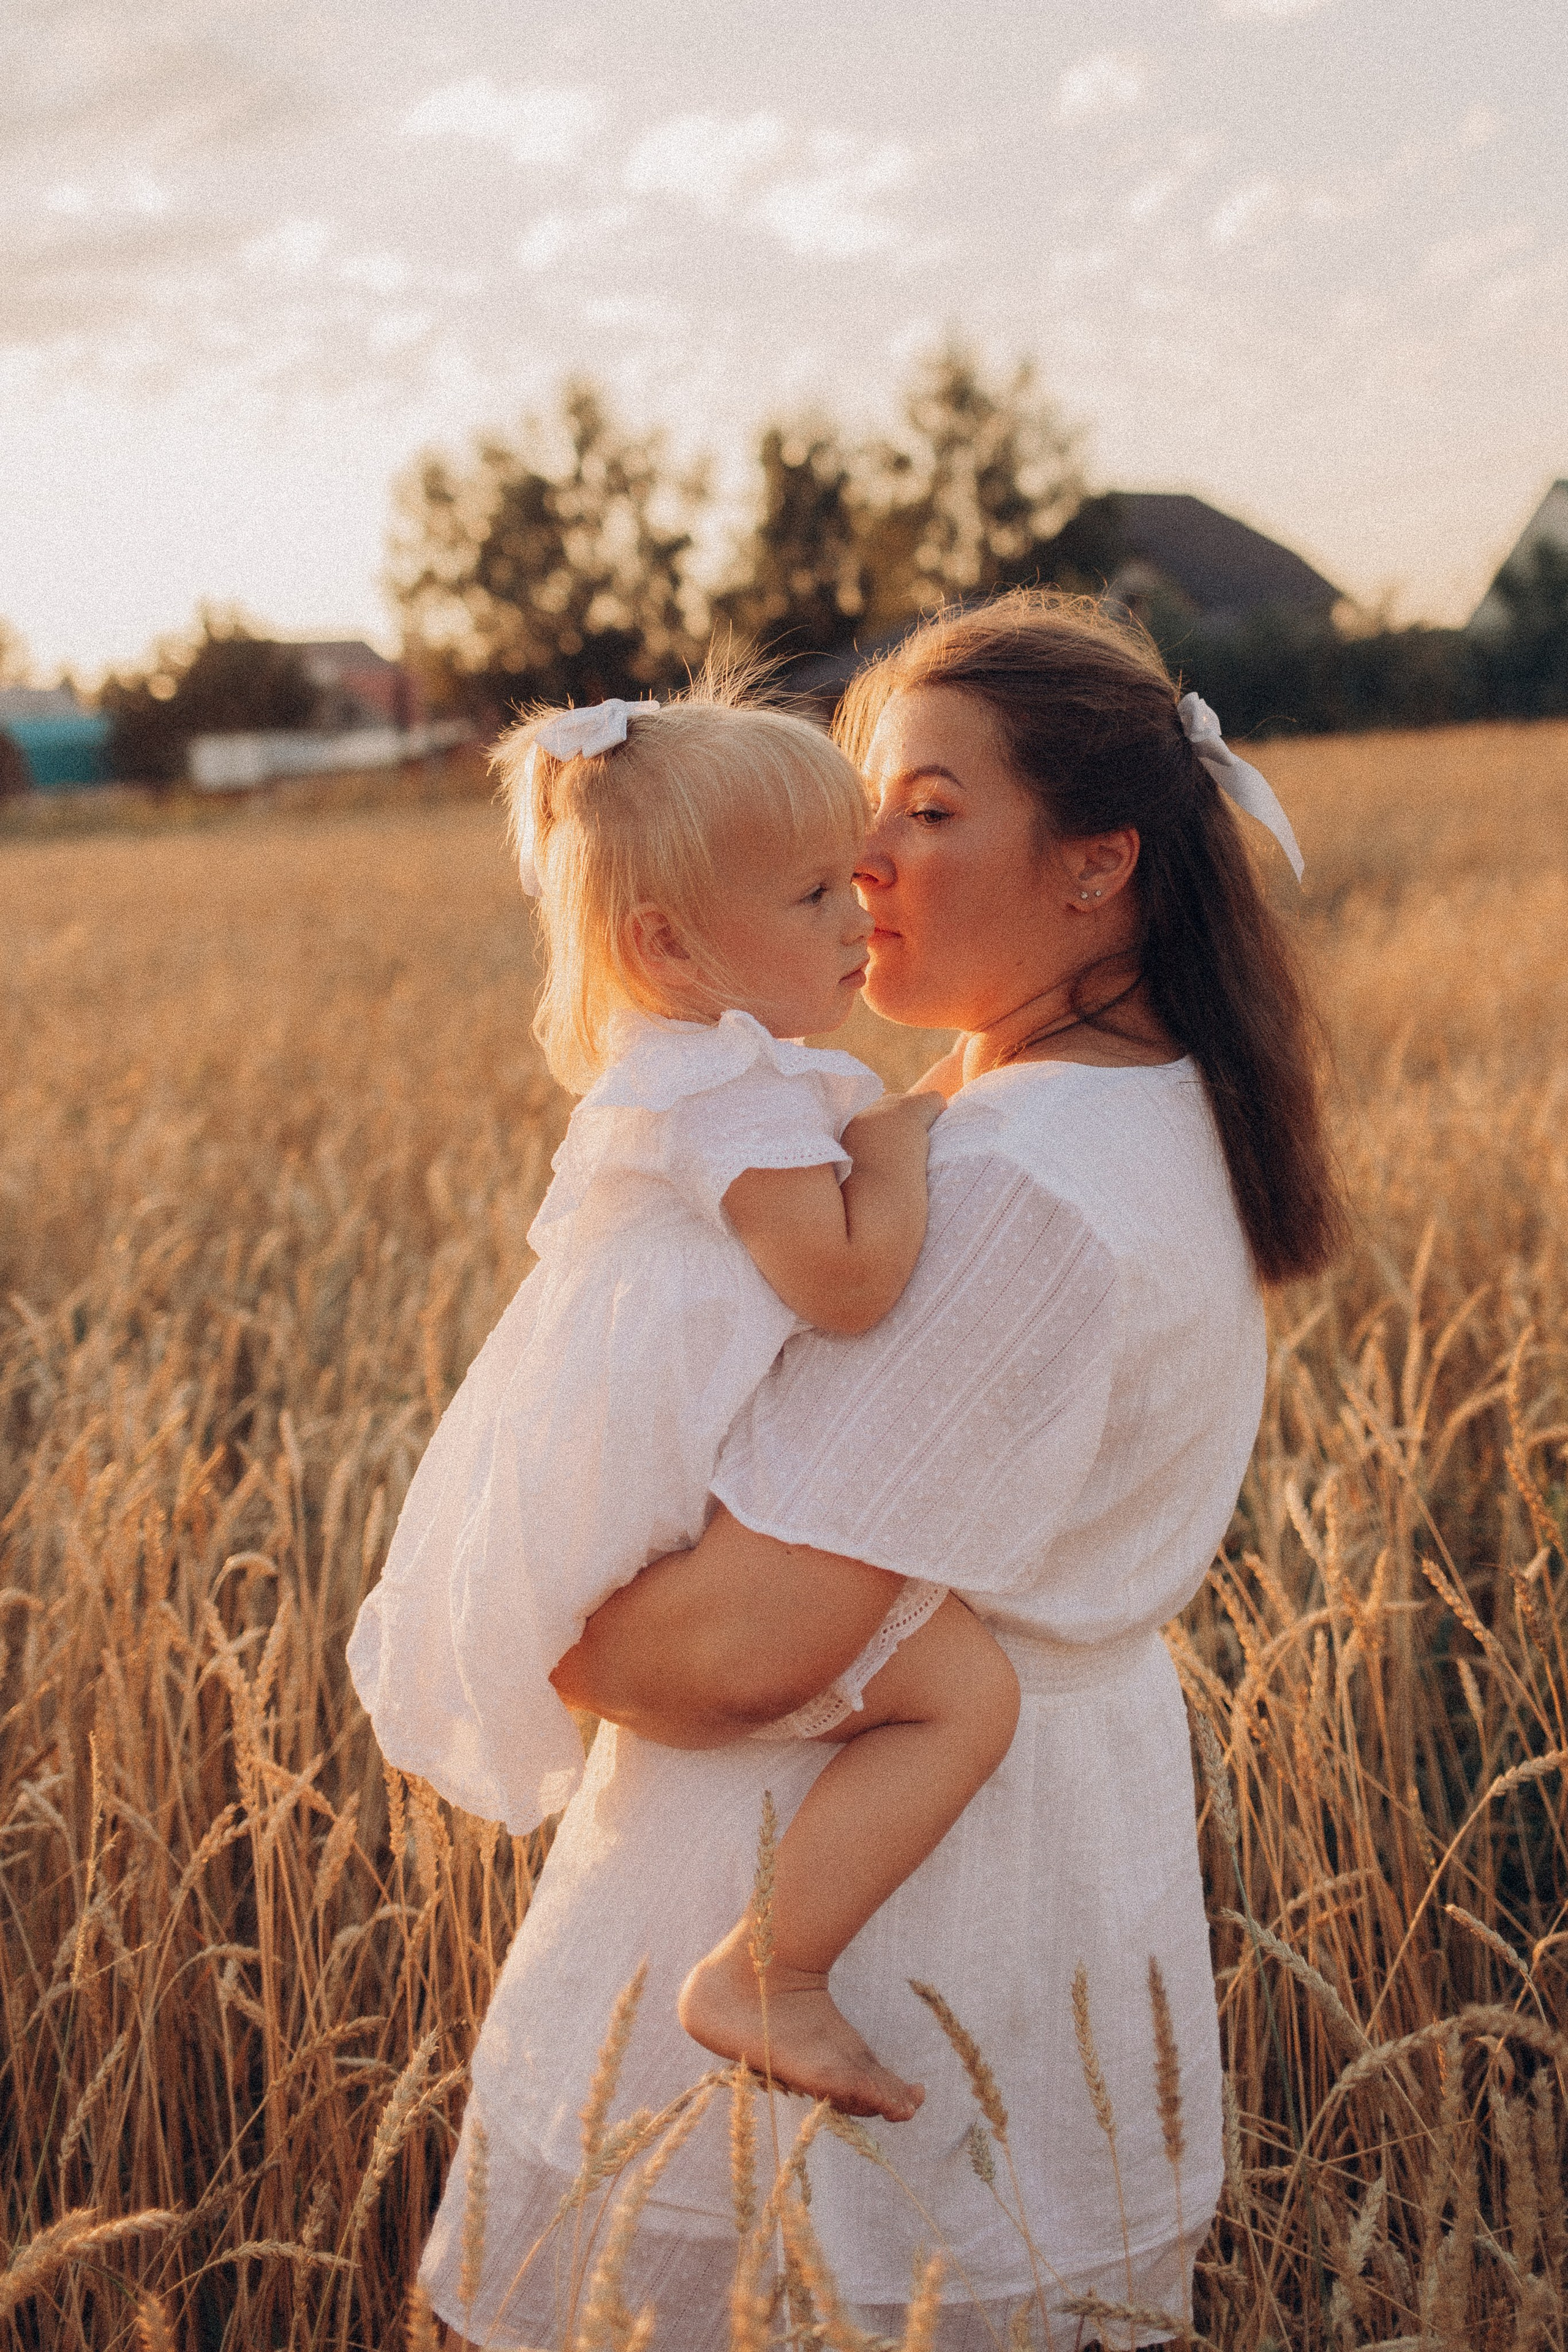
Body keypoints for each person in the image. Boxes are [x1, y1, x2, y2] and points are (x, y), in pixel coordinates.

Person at [416, 590, 1345, 2351]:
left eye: (928, 808)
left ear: (1096, 866)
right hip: (1050, 1868)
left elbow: (750, 1645)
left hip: (903, 1939)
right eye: (861, 807)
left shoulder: (1014, 1181)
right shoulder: (1158, 1110)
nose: (864, 854)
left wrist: (552, 1628)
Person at [347, 685, 1022, 2128]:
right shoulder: (726, 1091)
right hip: (654, 1487)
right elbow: (841, 1284)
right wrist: (901, 1137)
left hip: (659, 1452)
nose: (858, 921)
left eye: (851, 882)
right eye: (809, 896)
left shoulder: (710, 1063)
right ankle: (765, 1973)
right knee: (964, 1700)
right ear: (667, 942)